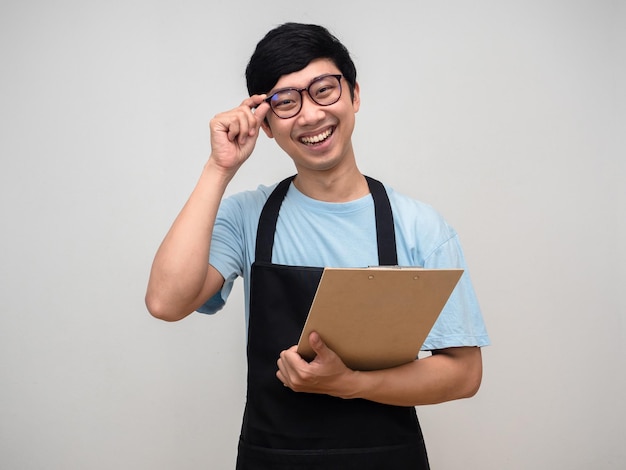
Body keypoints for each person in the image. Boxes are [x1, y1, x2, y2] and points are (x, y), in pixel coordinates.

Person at [146, 22, 490, 470]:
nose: (309, 115)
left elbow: (464, 374)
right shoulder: (247, 217)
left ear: (355, 96)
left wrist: (350, 383)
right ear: (265, 123)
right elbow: (165, 302)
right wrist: (218, 167)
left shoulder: (419, 226)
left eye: (324, 89)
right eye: (286, 102)